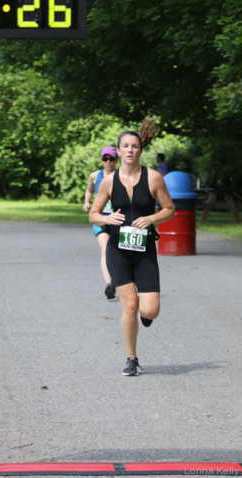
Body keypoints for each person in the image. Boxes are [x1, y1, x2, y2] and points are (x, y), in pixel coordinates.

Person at [89, 118, 175, 376]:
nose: (129, 150)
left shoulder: (154, 178)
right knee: (130, 306)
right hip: (118, 250)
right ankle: (132, 358)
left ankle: (146, 314)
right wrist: (105, 218)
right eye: (125, 146)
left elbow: (170, 209)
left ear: (140, 150)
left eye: (134, 146)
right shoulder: (107, 181)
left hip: (145, 250)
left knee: (150, 310)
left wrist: (151, 218)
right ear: (118, 150)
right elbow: (93, 214)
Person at [83, 147, 119, 299]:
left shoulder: (122, 175)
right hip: (100, 218)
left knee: (119, 251)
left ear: (117, 160)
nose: (108, 162)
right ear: (101, 160)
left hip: (118, 219)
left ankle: (121, 280)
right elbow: (90, 190)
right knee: (105, 249)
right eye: (105, 159)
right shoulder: (94, 176)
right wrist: (87, 202)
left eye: (111, 158)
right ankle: (109, 284)